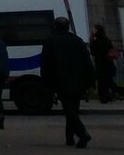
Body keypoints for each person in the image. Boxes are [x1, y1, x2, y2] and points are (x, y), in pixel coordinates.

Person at [39, 16, 93, 148]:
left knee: (69, 110)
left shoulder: (51, 42)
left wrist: (47, 83)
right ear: (68, 26)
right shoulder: (78, 41)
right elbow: (88, 63)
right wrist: (91, 82)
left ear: (55, 27)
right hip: (78, 80)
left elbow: (45, 64)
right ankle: (70, 138)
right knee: (73, 109)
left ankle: (82, 134)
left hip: (61, 81)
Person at [89, 24, 120, 103]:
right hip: (108, 62)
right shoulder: (106, 39)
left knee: (102, 82)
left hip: (100, 63)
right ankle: (110, 94)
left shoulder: (95, 40)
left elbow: (93, 52)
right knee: (107, 81)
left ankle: (104, 97)